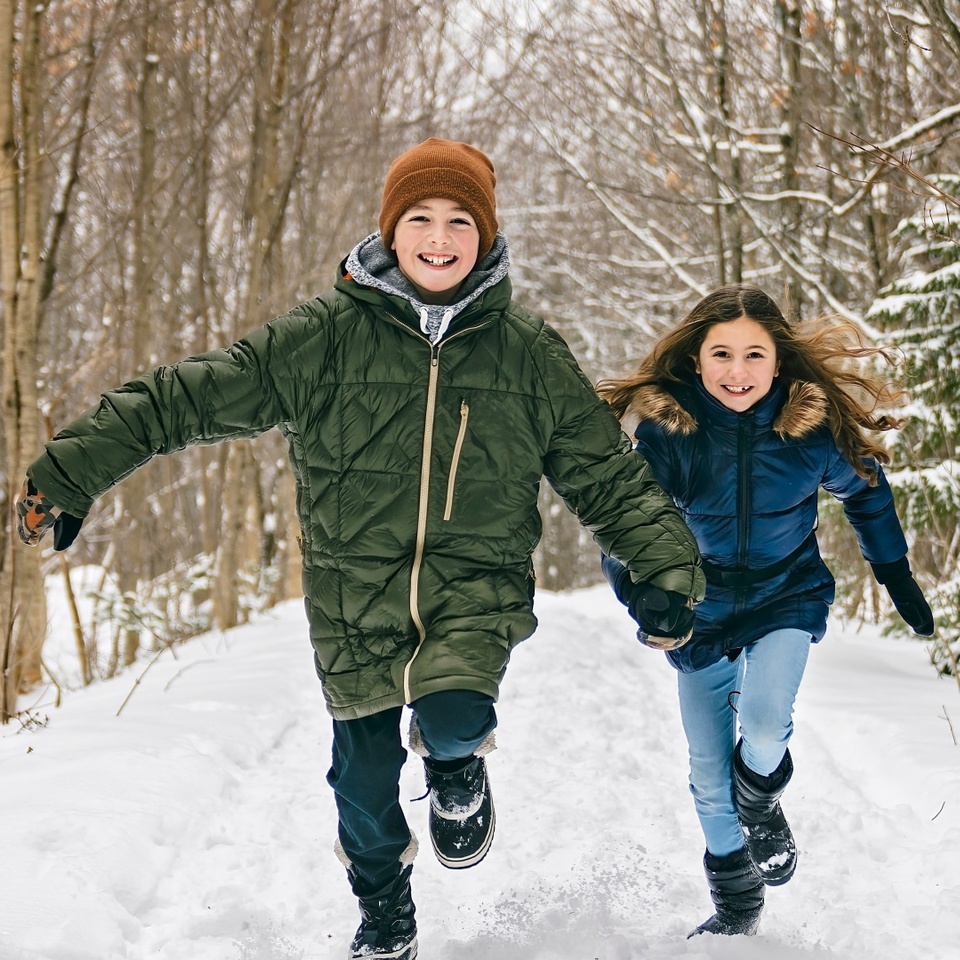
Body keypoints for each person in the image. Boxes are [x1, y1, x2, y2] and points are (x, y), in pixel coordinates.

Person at [16, 138, 705, 960]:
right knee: (363, 783)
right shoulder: (326, 338)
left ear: (485, 236)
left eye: (460, 221)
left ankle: (455, 772)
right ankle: (384, 915)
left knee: (456, 714)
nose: (440, 237)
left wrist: (663, 569)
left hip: (473, 591)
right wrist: (75, 468)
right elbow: (193, 395)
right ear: (391, 229)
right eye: (420, 218)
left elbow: (606, 474)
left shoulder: (528, 354)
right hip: (352, 598)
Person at [597, 284, 934, 939]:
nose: (738, 370)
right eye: (721, 353)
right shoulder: (672, 433)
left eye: (755, 354)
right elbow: (628, 522)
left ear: (779, 361)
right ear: (696, 361)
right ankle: (737, 903)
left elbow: (865, 491)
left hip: (786, 594)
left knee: (764, 720)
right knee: (704, 766)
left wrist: (894, 573)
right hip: (701, 610)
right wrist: (647, 595)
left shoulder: (809, 429)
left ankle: (760, 798)